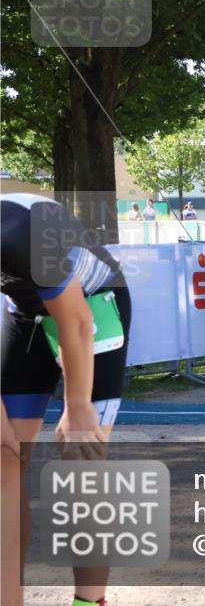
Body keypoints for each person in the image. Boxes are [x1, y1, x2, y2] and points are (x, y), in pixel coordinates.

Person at [2, 194, 132, 606]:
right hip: (23, 314)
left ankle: (88, 602)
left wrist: (77, 406)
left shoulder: (21, 234)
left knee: (81, 458)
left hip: (93, 302)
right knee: (4, 459)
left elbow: (77, 323)